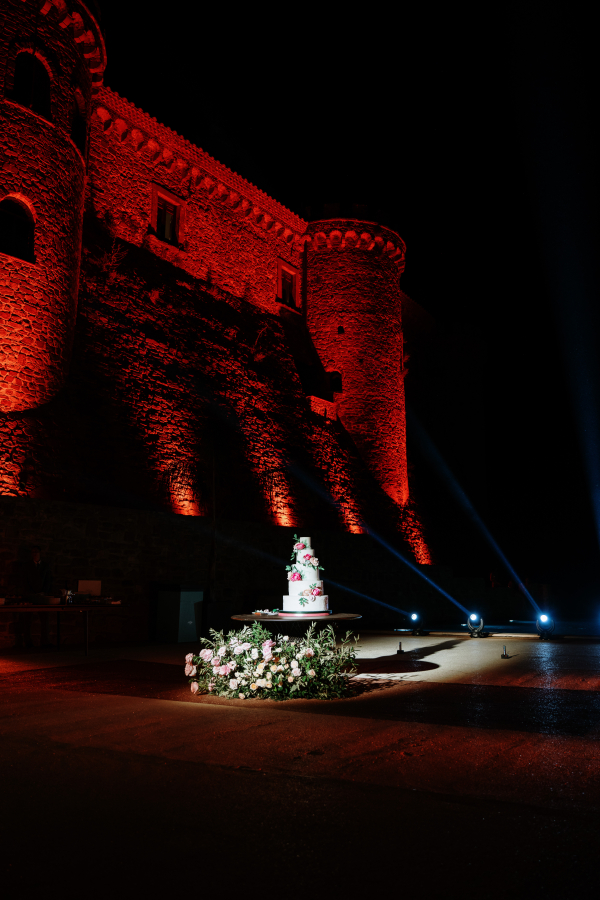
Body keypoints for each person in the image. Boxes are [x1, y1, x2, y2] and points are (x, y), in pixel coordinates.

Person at [15, 545, 53, 649]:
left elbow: (48, 580)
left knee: (45, 620)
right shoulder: (26, 566)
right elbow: (24, 581)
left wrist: (43, 592)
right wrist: (31, 593)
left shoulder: (45, 566)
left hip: (42, 596)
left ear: (40, 553)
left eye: (36, 552)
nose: (34, 554)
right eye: (33, 552)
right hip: (29, 596)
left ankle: (45, 641)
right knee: (27, 620)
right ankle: (28, 642)